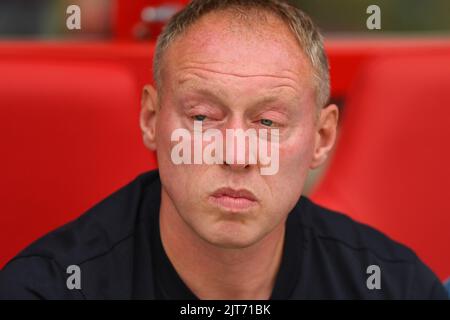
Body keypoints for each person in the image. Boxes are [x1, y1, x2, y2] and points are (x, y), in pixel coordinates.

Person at [0, 0, 447, 299]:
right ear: (152, 120)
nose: (236, 154)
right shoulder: (46, 289)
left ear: (322, 138)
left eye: (268, 123)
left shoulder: (395, 287)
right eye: (201, 117)